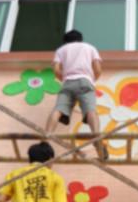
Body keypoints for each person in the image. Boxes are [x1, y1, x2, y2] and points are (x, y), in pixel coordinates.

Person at [45, 30, 108, 160]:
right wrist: (91, 79)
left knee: (58, 109)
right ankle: (97, 137)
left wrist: (65, 78)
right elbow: (98, 68)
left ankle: (47, 138)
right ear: (80, 39)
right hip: (85, 80)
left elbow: (56, 70)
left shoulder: (61, 50)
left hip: (67, 82)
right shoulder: (90, 48)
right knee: (91, 111)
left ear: (66, 41)